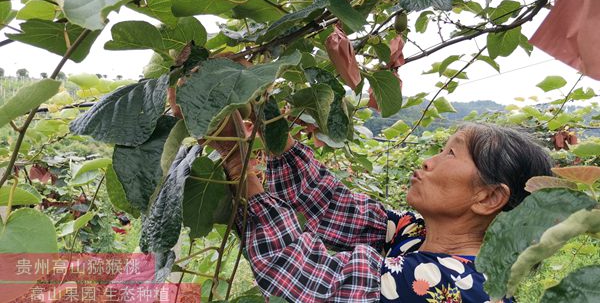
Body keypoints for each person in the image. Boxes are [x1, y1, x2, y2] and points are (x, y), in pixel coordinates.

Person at [208, 112, 553, 303]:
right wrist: (268, 122)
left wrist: (240, 168)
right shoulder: (416, 233)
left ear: (489, 198)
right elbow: (332, 205)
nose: (428, 162)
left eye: (451, 153)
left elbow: (306, 273)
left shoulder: (452, 286)